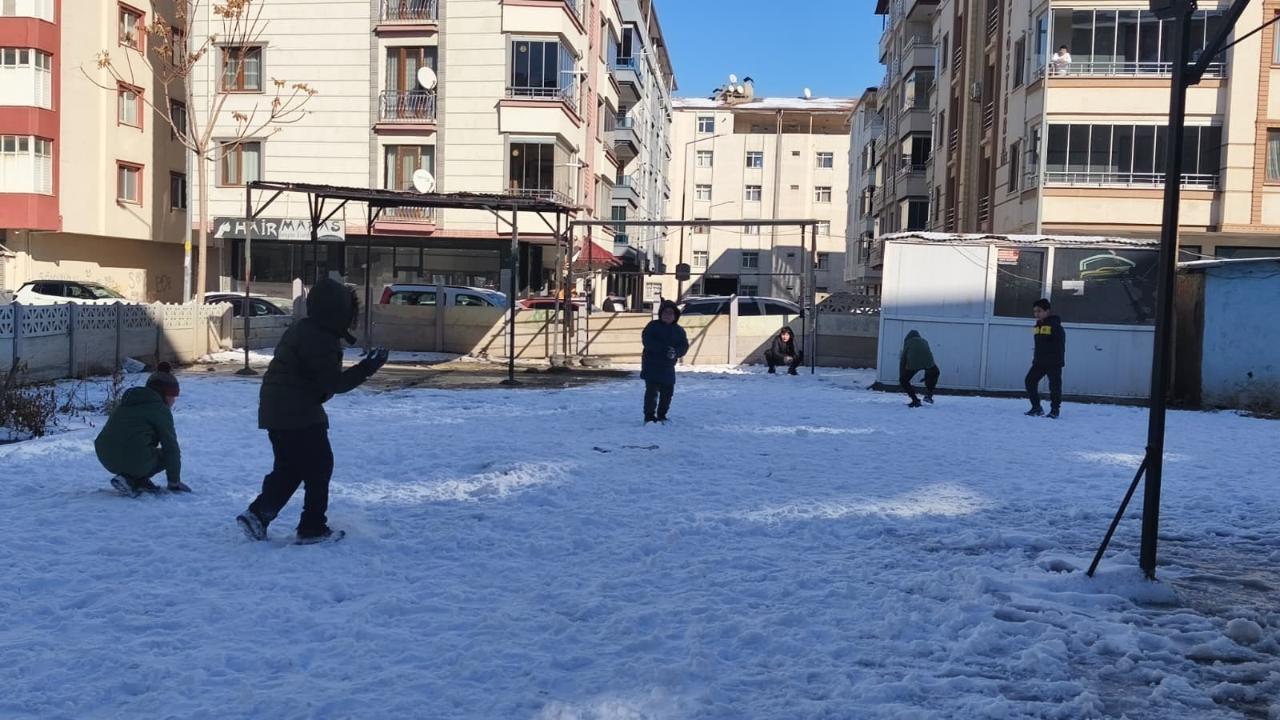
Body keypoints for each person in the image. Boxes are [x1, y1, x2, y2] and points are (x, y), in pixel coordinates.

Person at [236, 278, 389, 544]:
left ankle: (259, 514)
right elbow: (334, 383)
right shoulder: (320, 338)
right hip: (298, 412)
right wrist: (368, 367)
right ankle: (312, 527)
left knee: (291, 468)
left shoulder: (305, 329)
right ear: (338, 312)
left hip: (277, 409)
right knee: (319, 466)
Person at [96, 362, 190, 496]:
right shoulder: (159, 410)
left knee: (137, 448)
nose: (174, 400)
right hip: (133, 459)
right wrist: (174, 482)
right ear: (162, 394)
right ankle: (131, 479)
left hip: (105, 456)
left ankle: (134, 479)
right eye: (172, 396)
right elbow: (171, 447)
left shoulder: (127, 402)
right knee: (165, 455)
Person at [640, 299, 689, 424]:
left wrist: (675, 352)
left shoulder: (679, 330)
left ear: (675, 316)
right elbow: (647, 341)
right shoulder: (653, 326)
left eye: (671, 313)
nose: (668, 315)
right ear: (661, 314)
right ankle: (649, 416)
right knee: (651, 392)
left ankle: (662, 414)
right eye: (665, 312)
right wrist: (663, 349)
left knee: (668, 393)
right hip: (651, 365)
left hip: (668, 367)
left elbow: (683, 346)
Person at [1026, 298, 1066, 419]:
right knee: (1030, 381)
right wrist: (1036, 358)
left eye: (1039, 311)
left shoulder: (1056, 326)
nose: (1036, 314)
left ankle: (1055, 410)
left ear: (1047, 311)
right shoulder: (1038, 326)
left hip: (1053, 362)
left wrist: (1056, 361)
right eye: (1035, 311)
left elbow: (1060, 346)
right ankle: (1036, 408)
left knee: (1054, 386)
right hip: (1039, 362)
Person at [899, 330, 940, 408]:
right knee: (935, 372)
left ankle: (915, 400)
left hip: (913, 363)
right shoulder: (924, 341)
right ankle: (929, 395)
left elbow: (903, 359)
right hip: (928, 362)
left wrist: (902, 376)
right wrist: (928, 377)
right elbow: (926, 355)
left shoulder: (908, 342)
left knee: (903, 380)